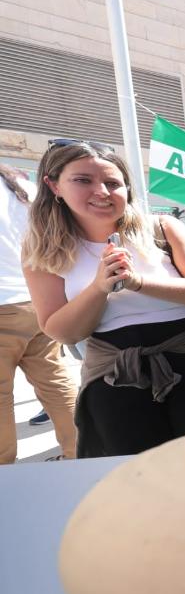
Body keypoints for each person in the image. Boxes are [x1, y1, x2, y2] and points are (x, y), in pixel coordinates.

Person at [22, 139, 185, 458]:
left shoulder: (162, 228)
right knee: (136, 472)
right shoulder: (43, 252)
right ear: (53, 185)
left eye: (113, 183)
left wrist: (138, 282)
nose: (101, 191)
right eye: (83, 180)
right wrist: (100, 287)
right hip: (115, 374)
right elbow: (61, 330)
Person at [1, 163, 77, 463]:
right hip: (37, 300)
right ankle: (80, 454)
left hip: (6, 302)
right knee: (56, 383)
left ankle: (5, 473)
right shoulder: (22, 188)